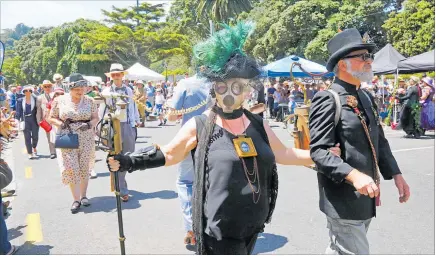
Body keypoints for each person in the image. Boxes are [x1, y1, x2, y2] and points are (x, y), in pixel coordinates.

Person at [108, 22, 340, 255]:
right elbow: (170, 153)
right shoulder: (200, 125)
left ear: (248, 90)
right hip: (218, 231)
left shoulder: (258, 124)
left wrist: (319, 155)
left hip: (251, 225)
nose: (229, 93)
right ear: (213, 89)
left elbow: (283, 153)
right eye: (222, 86)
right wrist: (130, 161)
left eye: (237, 86)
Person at [309, 28, 410, 255]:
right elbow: (319, 152)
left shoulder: (364, 95)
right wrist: (354, 176)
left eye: (369, 56)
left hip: (366, 196)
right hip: (344, 199)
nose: (369, 61)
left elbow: (379, 140)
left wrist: (396, 173)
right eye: (362, 57)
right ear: (343, 64)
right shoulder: (328, 99)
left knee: (339, 250)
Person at [166, 75, 210, 246]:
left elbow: (172, 116)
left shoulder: (186, 84)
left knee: (185, 182)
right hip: (218, 138)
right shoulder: (222, 81)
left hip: (191, 137)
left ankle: (191, 225)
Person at [48, 74, 99, 213]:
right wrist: (61, 124)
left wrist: (89, 125)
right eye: (77, 88)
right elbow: (50, 117)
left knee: (84, 167)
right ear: (70, 88)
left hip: (86, 138)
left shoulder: (90, 101)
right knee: (71, 168)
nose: (80, 91)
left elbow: (96, 118)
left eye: (82, 88)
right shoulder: (60, 100)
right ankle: (76, 199)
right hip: (68, 137)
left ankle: (84, 196)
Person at [99, 64, 140, 202]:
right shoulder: (106, 91)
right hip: (113, 126)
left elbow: (133, 107)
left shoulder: (128, 90)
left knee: (128, 155)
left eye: (118, 74)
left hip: (128, 125)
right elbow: (102, 111)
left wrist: (135, 123)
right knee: (115, 155)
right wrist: (101, 129)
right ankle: (122, 188)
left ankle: (119, 183)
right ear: (110, 76)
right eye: (113, 75)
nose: (116, 76)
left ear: (123, 75)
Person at [16, 85, 39, 159]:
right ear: (24, 92)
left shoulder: (35, 99)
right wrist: (17, 121)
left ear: (31, 92)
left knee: (35, 136)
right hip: (25, 120)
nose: (28, 92)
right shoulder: (20, 100)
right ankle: (30, 152)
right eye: (26, 91)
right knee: (27, 137)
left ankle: (34, 146)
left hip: (34, 120)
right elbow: (18, 112)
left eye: (29, 90)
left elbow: (39, 110)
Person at [36, 80, 57, 159]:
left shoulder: (56, 95)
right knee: (50, 136)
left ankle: (61, 151)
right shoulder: (39, 98)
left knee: (59, 135)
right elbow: (38, 110)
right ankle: (52, 152)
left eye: (49, 86)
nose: (47, 88)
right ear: (43, 87)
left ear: (51, 87)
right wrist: (39, 120)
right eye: (45, 86)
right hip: (46, 120)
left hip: (57, 119)